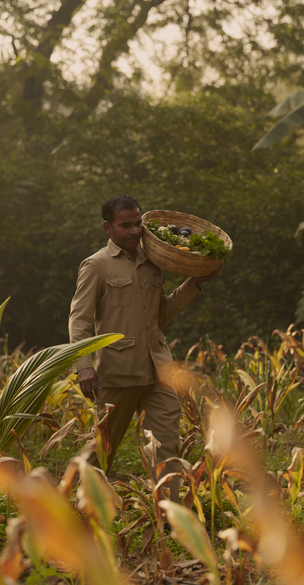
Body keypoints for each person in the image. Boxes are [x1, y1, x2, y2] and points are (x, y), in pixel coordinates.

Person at [68, 194, 222, 502]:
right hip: (117, 373)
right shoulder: (96, 266)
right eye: (125, 225)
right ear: (108, 228)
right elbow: (79, 320)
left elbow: (160, 315)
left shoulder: (154, 261)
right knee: (103, 448)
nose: (135, 231)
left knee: (166, 442)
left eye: (138, 223)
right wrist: (83, 365)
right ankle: (77, 506)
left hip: (158, 370)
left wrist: (193, 283)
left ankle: (170, 515)